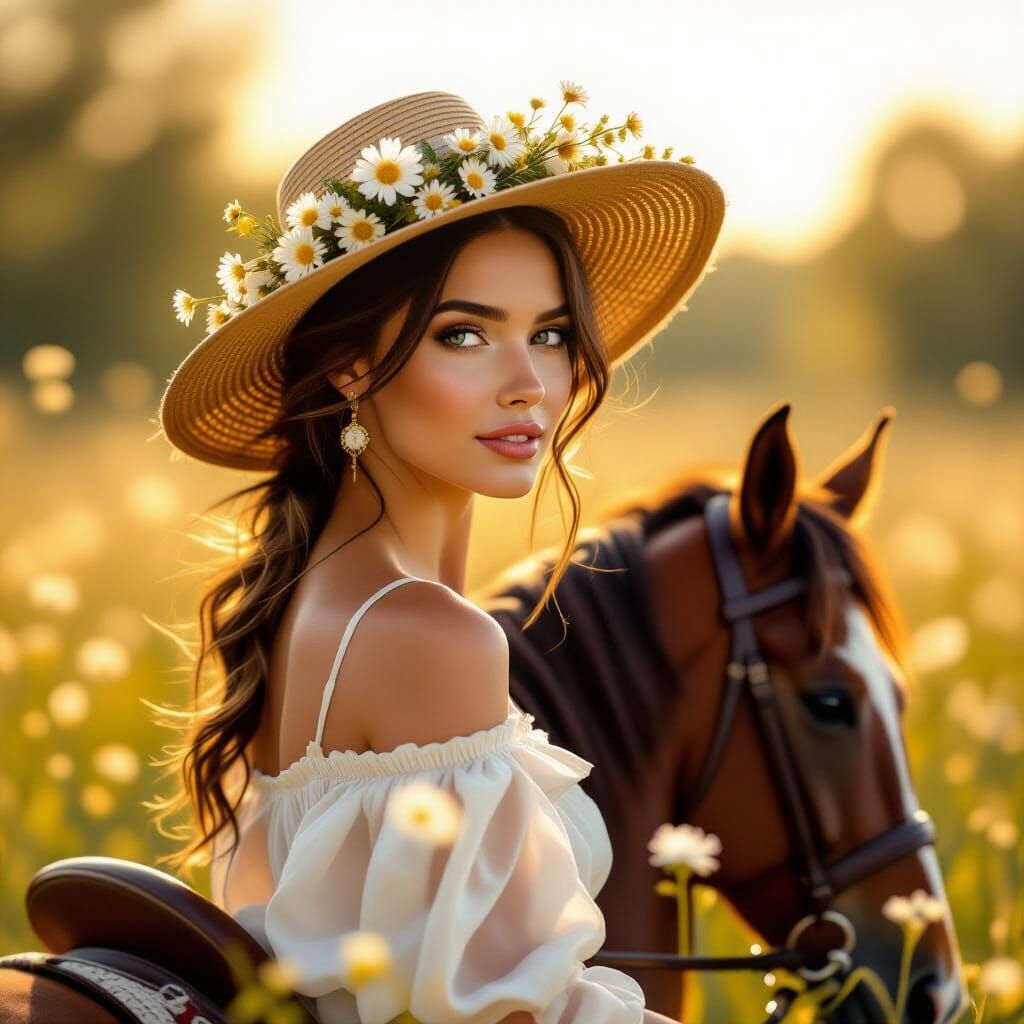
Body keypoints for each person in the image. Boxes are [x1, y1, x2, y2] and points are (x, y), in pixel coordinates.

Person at [150, 86, 725, 1024]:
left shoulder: (309, 593)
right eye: (464, 334)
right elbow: (506, 1014)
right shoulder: (426, 634)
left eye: (549, 335)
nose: (529, 384)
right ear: (349, 364)